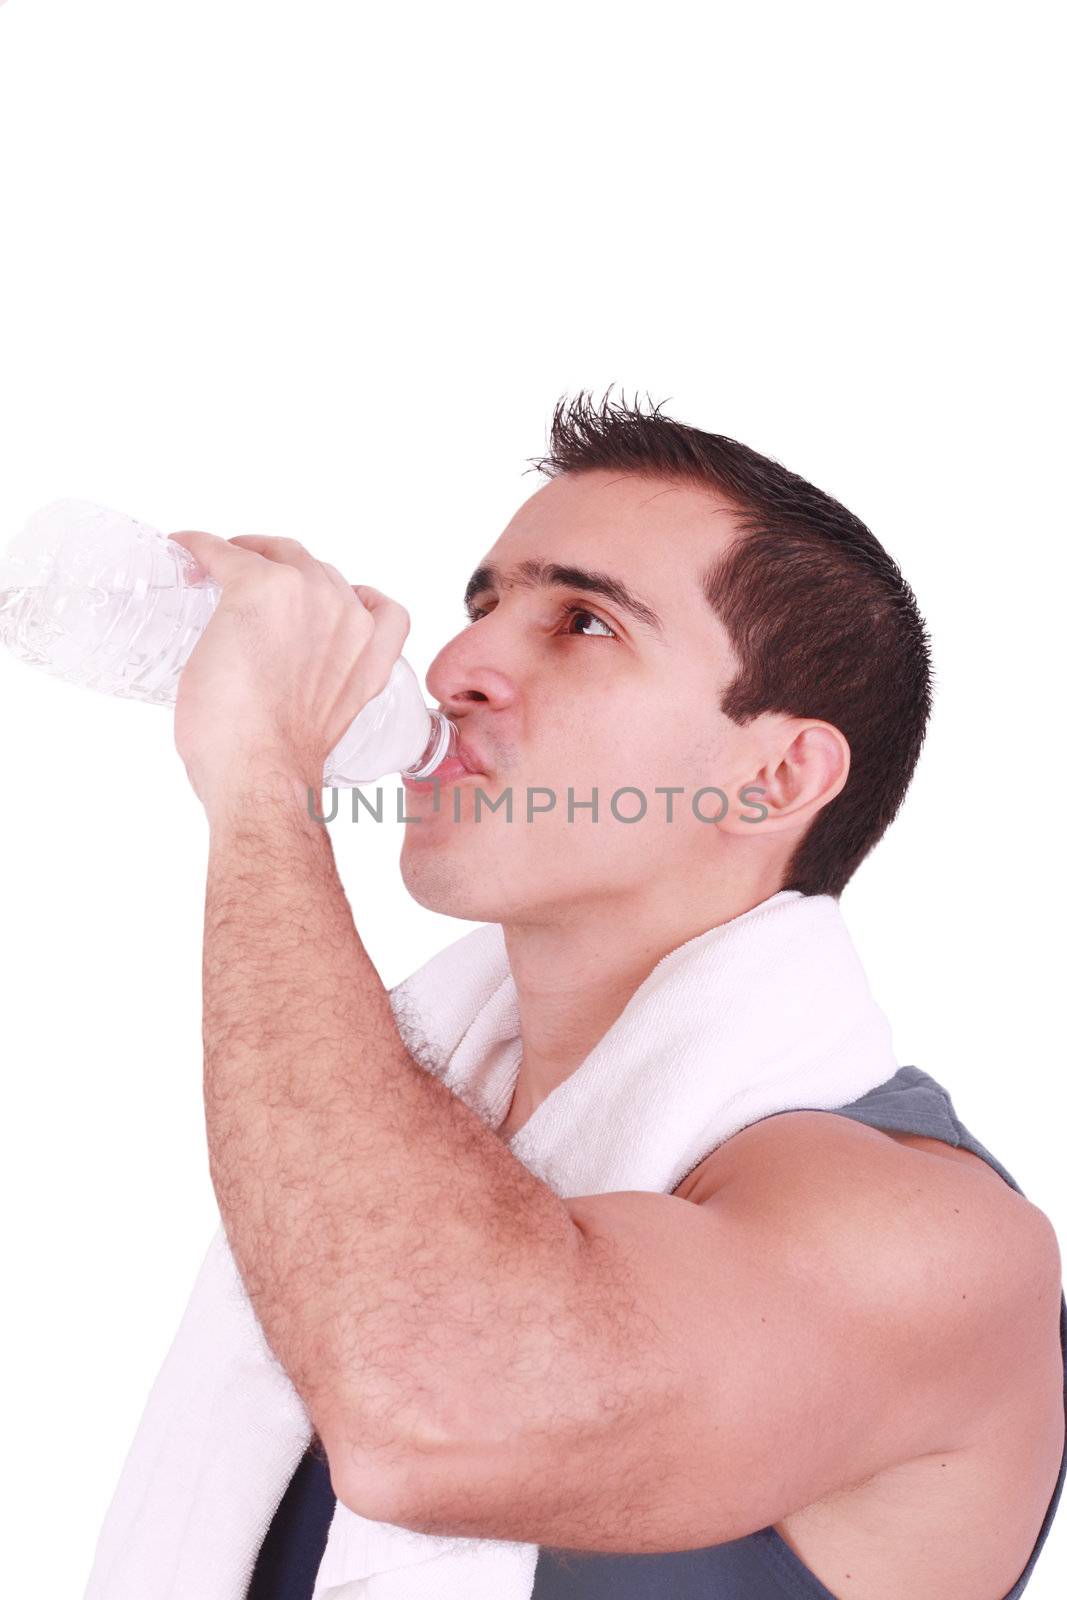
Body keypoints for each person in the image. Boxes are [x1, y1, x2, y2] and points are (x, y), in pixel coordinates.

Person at [90, 393, 1065, 1600]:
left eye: (585, 622)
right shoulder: (392, 1137)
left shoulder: (933, 1240)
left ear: (772, 775)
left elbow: (427, 1403)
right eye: (484, 604)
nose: (456, 669)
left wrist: (259, 791)